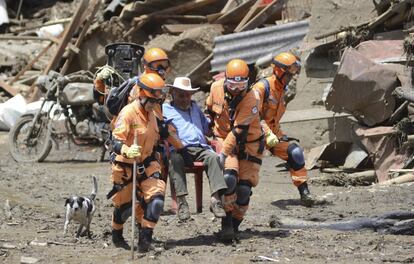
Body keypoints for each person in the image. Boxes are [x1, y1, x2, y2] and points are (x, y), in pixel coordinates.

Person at [206, 59, 264, 242]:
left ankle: (235, 225)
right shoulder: (215, 88)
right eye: (232, 85)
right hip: (223, 138)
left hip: (248, 144)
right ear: (226, 80)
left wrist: (223, 155)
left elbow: (239, 130)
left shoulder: (252, 98)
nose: (236, 90)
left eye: (241, 86)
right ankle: (227, 225)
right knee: (229, 178)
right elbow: (209, 110)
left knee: (244, 189)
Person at [252, 52, 321, 207]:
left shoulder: (281, 89)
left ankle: (305, 194)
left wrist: (275, 135)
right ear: (279, 71)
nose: (291, 78)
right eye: (289, 75)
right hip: (254, 134)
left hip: (273, 135)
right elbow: (252, 115)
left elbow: (274, 119)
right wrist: (266, 132)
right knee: (248, 174)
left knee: (295, 153)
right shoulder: (262, 87)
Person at [108, 73, 167, 252]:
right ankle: (117, 234)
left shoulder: (153, 113)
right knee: (125, 208)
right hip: (126, 166)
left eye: (156, 101)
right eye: (150, 100)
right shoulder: (128, 113)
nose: (153, 104)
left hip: (147, 164)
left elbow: (156, 139)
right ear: (141, 94)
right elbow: (114, 140)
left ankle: (144, 240)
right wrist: (126, 149)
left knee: (156, 201)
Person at [163, 77, 227, 221]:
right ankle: (182, 203)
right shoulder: (165, 109)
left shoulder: (195, 107)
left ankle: (215, 200)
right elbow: (165, 132)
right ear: (172, 93)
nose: (185, 99)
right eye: (181, 95)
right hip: (180, 149)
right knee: (175, 159)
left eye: (187, 95)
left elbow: (206, 128)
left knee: (213, 158)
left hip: (200, 147)